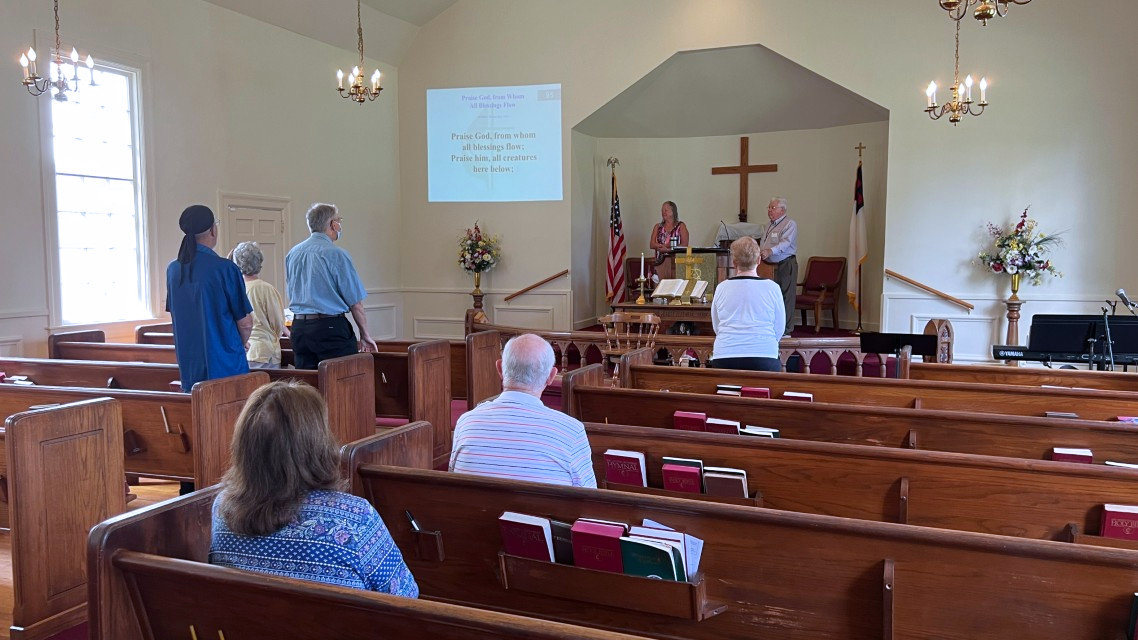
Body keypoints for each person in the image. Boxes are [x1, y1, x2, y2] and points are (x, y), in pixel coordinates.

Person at [210, 380, 419, 597]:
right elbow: (406, 597)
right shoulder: (356, 519)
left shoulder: (223, 508)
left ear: (244, 447)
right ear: (318, 442)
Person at [450, 334, 597, 488]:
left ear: (500, 369)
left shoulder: (466, 423)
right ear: (551, 376)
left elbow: (453, 484)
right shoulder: (571, 431)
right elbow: (589, 498)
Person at [166, 204, 253, 391]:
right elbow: (245, 323)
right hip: (225, 364)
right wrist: (238, 344)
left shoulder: (173, 270)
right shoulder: (225, 268)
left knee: (198, 407)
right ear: (213, 230)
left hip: (190, 365)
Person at [285, 203, 378, 370]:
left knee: (307, 383)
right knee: (342, 378)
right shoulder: (336, 254)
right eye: (338, 220)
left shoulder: (293, 253)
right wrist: (365, 335)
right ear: (332, 224)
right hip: (329, 328)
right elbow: (355, 303)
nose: (339, 225)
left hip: (299, 328)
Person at [709, 237, 785, 371]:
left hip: (725, 355)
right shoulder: (772, 287)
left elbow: (716, 325)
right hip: (764, 356)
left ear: (734, 262)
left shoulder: (722, 287)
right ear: (759, 260)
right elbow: (779, 327)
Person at [232, 242, 288, 369]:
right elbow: (278, 323)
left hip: (242, 349)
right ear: (259, 262)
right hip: (264, 351)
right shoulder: (266, 289)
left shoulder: (235, 288)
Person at [759, 197, 798, 337]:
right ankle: (772, 327)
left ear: (782, 210)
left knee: (786, 297)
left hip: (786, 264)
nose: (769, 210)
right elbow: (764, 242)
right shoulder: (768, 225)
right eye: (769, 207)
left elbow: (786, 243)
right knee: (772, 297)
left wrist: (770, 251)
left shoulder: (790, 224)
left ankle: (786, 330)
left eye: (773, 208)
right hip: (769, 266)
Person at [649, 201, 689, 265]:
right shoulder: (657, 226)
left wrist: (668, 249)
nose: (663, 212)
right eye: (662, 210)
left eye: (666, 210)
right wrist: (665, 246)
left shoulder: (681, 226)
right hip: (660, 262)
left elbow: (685, 245)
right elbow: (652, 244)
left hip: (677, 262)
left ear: (673, 211)